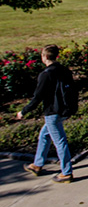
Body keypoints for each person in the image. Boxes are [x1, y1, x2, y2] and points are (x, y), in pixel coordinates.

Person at [16, 44, 74, 183]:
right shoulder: (64, 70)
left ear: (45, 57)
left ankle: (66, 172)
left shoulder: (46, 74)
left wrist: (24, 112)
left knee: (60, 142)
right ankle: (37, 164)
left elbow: (37, 97)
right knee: (44, 135)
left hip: (53, 112)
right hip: (66, 109)